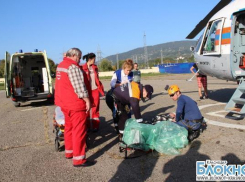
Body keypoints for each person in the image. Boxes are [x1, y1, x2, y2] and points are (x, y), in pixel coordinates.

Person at [55, 48, 96, 167]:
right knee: (79, 131)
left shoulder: (61, 65)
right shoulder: (73, 67)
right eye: (78, 57)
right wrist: (87, 100)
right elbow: (79, 87)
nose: (79, 60)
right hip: (75, 104)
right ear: (74, 55)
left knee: (69, 128)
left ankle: (69, 152)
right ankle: (79, 159)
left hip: (64, 104)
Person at [106, 59, 134, 132]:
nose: (129, 72)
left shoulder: (131, 74)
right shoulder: (117, 73)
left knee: (128, 111)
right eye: (127, 70)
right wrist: (120, 84)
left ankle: (128, 127)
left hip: (126, 95)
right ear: (123, 68)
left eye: (130, 70)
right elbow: (112, 84)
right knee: (117, 112)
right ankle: (117, 126)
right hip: (116, 95)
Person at [81, 53, 104, 132]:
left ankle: (95, 125)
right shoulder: (82, 68)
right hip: (86, 91)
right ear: (90, 59)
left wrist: (100, 88)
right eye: (94, 59)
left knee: (95, 108)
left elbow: (97, 79)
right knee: (86, 108)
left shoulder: (95, 67)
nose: (95, 60)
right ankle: (87, 126)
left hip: (95, 90)